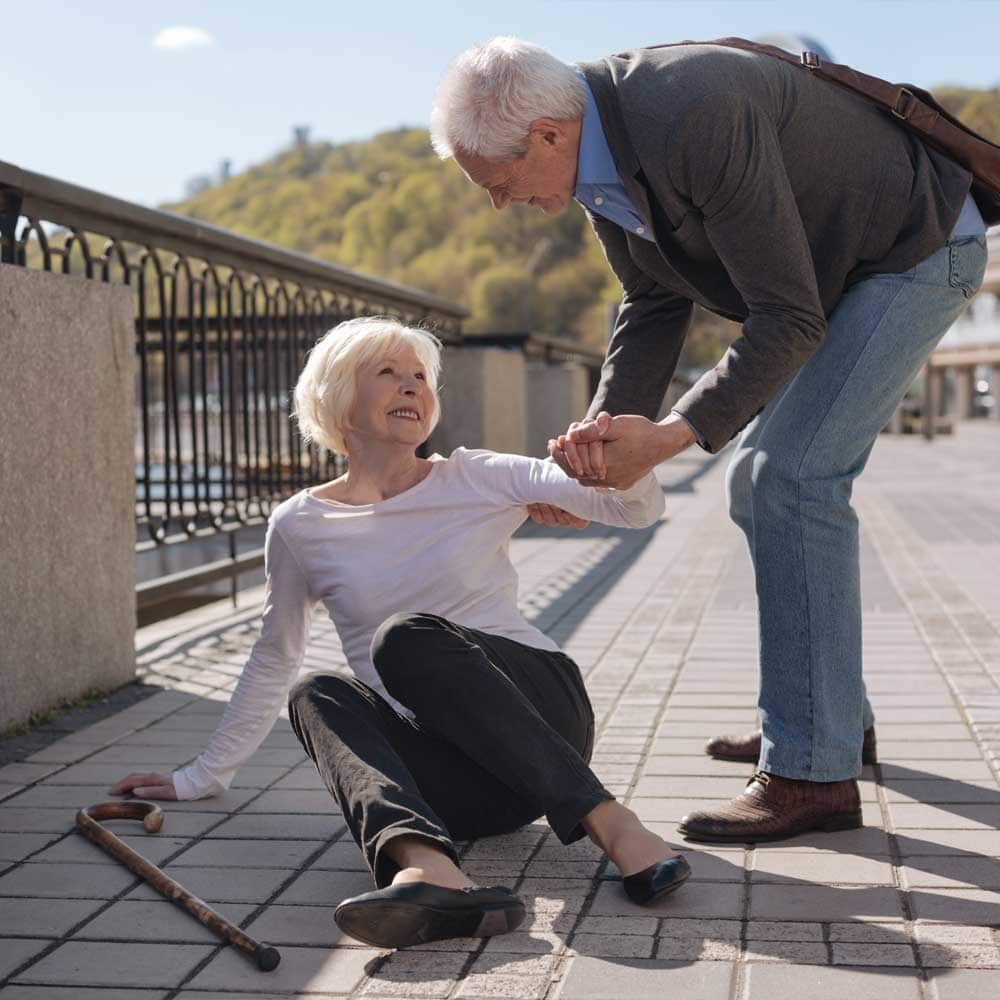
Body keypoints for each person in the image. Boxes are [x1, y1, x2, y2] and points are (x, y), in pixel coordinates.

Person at [431, 36, 989, 843]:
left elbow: (788, 317)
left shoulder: (693, 113)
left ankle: (813, 775)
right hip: (841, 268)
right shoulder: (595, 140)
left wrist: (663, 439)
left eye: (498, 181)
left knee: (786, 479)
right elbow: (652, 299)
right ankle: (827, 722)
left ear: (548, 135)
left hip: (916, 249)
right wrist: (596, 453)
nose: (499, 201)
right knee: (772, 482)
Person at [111, 317, 692, 950]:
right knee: (316, 691)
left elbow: (632, 510)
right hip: (469, 790)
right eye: (387, 373)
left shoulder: (476, 474)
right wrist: (202, 775)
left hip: (542, 714)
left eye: (420, 376)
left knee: (402, 639)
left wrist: (617, 459)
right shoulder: (300, 523)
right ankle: (428, 869)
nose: (411, 386)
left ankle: (613, 823)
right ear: (336, 396)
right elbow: (275, 652)